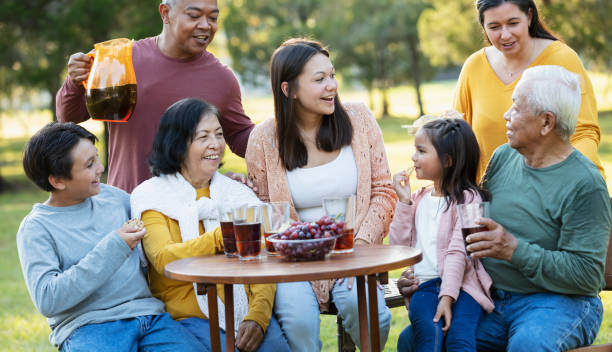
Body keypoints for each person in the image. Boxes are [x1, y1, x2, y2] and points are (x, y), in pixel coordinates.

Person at [399, 65, 611, 351]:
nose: (506, 115)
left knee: (527, 346)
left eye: (516, 107)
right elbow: (463, 232)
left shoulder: (585, 184)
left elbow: (587, 276)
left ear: (546, 123)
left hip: (558, 303)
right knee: (413, 340)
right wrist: (425, 277)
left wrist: (514, 250)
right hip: (492, 299)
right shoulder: (503, 157)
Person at [246, 38, 397, 351]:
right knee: (299, 324)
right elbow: (263, 211)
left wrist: (360, 247)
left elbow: (384, 190)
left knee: (370, 314)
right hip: (292, 262)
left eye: (332, 75)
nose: (332, 86)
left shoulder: (359, 119)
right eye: (319, 79)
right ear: (289, 90)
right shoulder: (264, 138)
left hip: (353, 251)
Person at [16, 122, 204, 351]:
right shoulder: (37, 228)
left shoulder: (113, 198)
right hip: (89, 327)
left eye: (96, 158)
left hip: (150, 318)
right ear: (57, 180)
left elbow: (169, 205)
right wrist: (115, 246)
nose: (101, 168)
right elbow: (48, 299)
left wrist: (220, 185)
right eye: (89, 165)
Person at [130, 98, 290, 352]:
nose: (215, 144)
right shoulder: (152, 196)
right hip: (188, 316)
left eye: (219, 134)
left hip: (246, 309)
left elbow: (262, 257)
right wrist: (222, 236)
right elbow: (163, 258)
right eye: (203, 137)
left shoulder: (236, 193)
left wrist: (258, 315)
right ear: (177, 143)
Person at [56, 0, 254, 193]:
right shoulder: (119, 60)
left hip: (194, 212)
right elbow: (69, 117)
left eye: (213, 17)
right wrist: (75, 81)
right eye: (194, 16)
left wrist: (277, 134)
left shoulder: (221, 78)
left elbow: (239, 135)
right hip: (128, 207)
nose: (205, 25)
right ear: (165, 13)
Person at [453, 0, 604, 179]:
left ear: (530, 16)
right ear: (483, 27)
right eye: (494, 27)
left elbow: (583, 132)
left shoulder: (562, 58)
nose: (505, 35)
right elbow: (457, 134)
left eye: (513, 23)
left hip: (555, 192)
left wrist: (561, 182)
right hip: (491, 198)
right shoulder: (474, 66)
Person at [390, 116, 494, 352]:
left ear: (447, 160)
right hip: (425, 288)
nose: (413, 157)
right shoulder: (418, 199)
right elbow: (398, 248)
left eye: (421, 151)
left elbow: (460, 252)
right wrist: (403, 202)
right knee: (428, 335)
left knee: (460, 339)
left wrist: (447, 297)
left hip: (465, 288)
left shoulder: (469, 199)